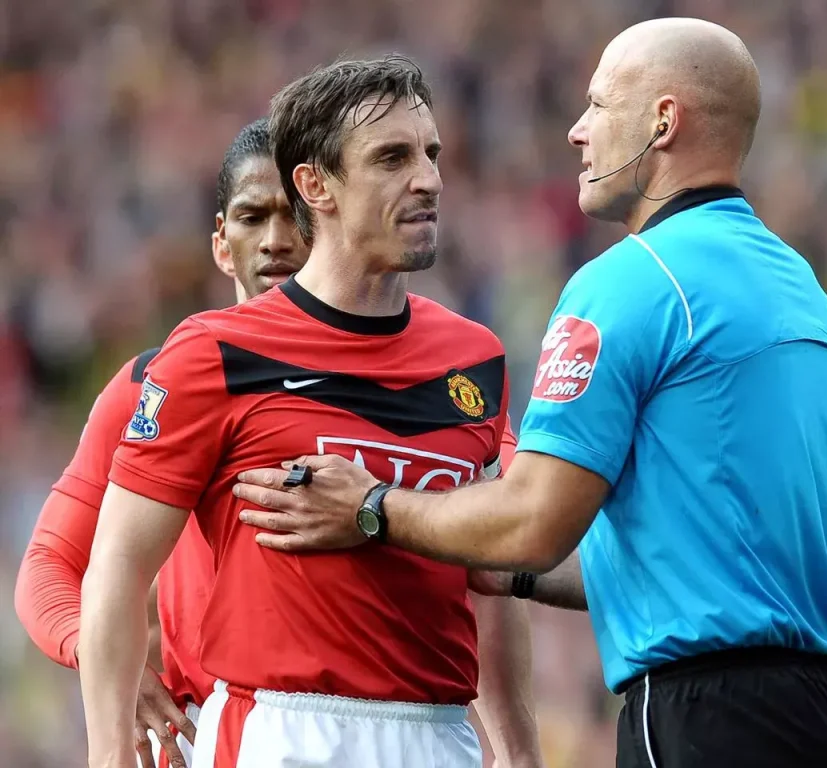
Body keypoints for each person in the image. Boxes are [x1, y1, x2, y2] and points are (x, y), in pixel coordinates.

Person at [233, 18, 827, 768]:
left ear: (663, 121)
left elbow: (533, 520)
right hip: (824, 712)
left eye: (598, 105)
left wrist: (372, 508)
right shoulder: (801, 288)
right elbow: (701, 545)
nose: (576, 130)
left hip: (702, 715)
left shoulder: (630, 282)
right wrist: (500, 566)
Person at [78, 56, 539, 768]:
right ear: (314, 185)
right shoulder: (214, 353)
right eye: (392, 157)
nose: (429, 179)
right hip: (283, 733)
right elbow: (115, 569)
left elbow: (490, 581)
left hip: (441, 734)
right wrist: (108, 756)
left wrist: (519, 755)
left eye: (432, 154)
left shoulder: (473, 357)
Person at [14, 118, 305, 768]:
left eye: (297, 215)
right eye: (253, 217)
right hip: (208, 737)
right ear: (221, 246)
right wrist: (105, 661)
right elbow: (47, 570)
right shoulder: (150, 387)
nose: (277, 241)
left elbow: (510, 514)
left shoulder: (412, 376)